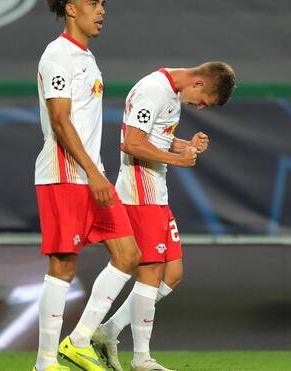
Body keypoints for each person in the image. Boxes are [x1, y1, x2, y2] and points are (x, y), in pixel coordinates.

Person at [90, 62, 236, 371]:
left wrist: (185, 145)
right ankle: (141, 359)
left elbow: (152, 138)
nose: (199, 107)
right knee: (151, 271)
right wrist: (177, 160)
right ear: (197, 83)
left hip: (157, 191)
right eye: (203, 101)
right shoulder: (153, 90)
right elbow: (131, 143)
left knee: (173, 274)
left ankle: (108, 331)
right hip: (139, 191)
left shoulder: (170, 92)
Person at [33, 1, 141, 370]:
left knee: (128, 255)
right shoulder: (56, 55)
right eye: (93, 2)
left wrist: (97, 173)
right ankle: (45, 362)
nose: (101, 10)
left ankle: (79, 340)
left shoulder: (87, 58)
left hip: (92, 175)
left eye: (103, 4)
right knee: (63, 266)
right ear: (70, 8)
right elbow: (60, 121)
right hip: (64, 175)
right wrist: (94, 174)